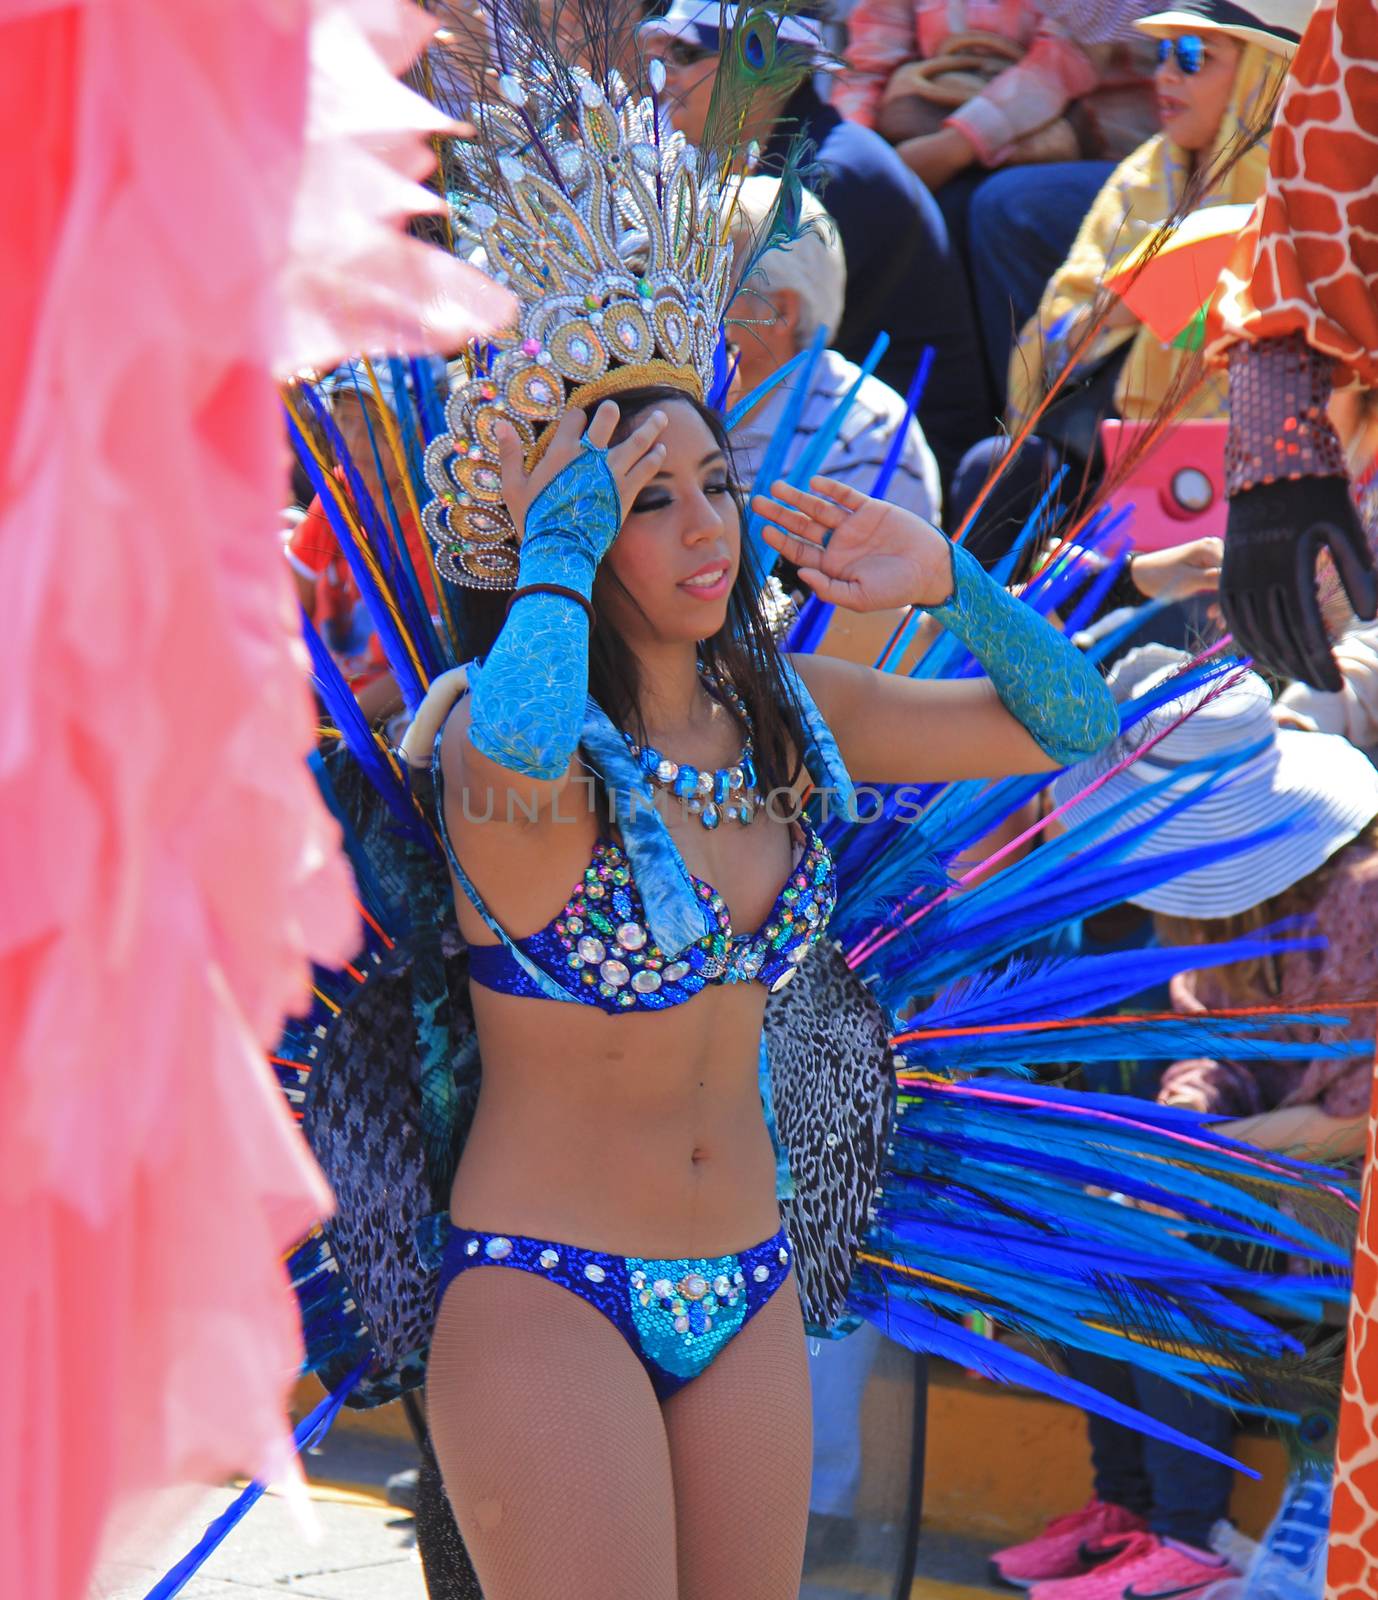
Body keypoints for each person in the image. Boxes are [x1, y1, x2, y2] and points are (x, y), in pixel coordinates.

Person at [989, 645, 1378, 1599]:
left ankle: (1190, 1536)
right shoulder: (1212, 911)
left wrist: (1212, 1157)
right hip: (1273, 1167)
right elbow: (1219, 1051)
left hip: (1345, 1195)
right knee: (1085, 1222)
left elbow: (1356, 1118)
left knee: (1154, 1242)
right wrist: (1184, 1117)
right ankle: (1127, 1510)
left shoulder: (1364, 897)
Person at [948, 0, 1301, 559]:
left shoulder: (1300, 196)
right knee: (992, 473)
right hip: (1099, 447)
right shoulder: (1142, 174)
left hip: (1240, 472)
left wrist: (1181, 308)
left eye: (1192, 56)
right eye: (1161, 54)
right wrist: (1107, 317)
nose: (1164, 74)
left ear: (1258, 73)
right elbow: (1054, 331)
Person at [640, 0, 995, 497]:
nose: (667, 73)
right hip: (789, 429)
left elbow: (764, 350)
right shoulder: (786, 162)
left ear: (762, 65)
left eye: (685, 50)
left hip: (871, 465)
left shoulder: (829, 179)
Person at [724, 176, 942, 524]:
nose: (685, 300)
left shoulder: (864, 431)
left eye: (715, 281)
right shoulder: (676, 405)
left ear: (781, 311)